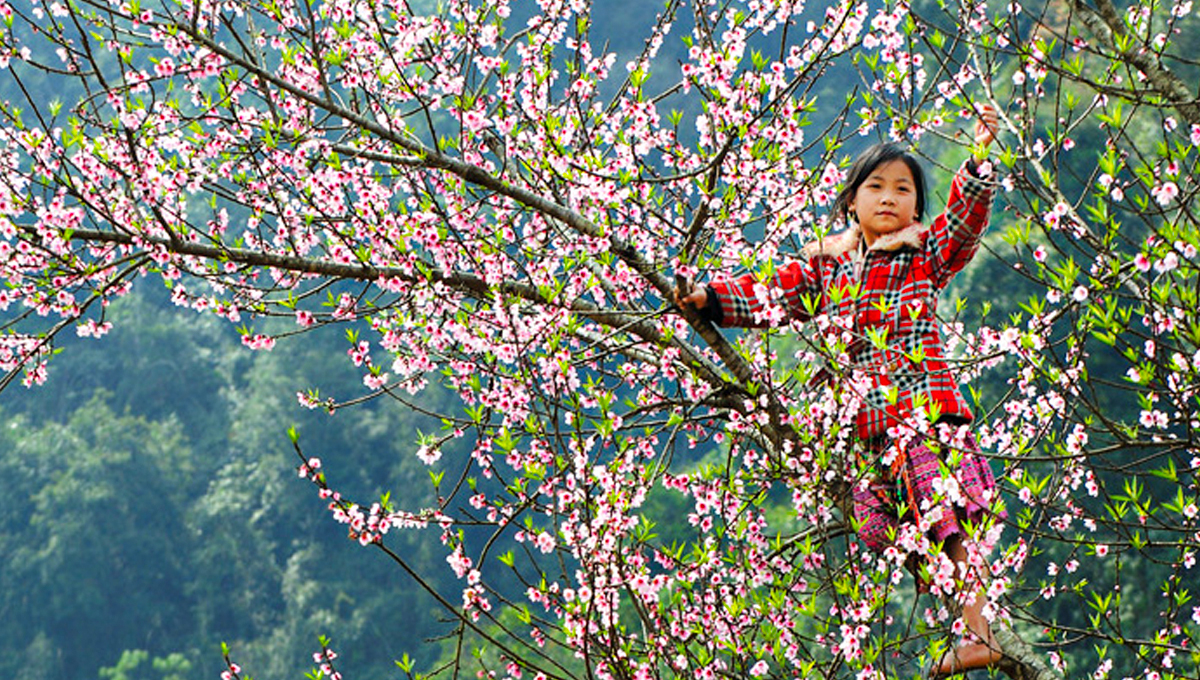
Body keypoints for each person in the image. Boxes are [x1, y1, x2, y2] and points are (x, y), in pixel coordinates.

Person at [678, 106, 1004, 677]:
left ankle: (980, 633)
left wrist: (978, 158)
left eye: (903, 189)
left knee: (950, 525)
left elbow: (964, 223)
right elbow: (769, 296)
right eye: (875, 186)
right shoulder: (824, 268)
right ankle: (968, 629)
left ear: (916, 209)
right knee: (917, 537)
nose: (889, 198)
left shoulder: (923, 254)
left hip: (922, 415)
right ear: (850, 200)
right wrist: (708, 297)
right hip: (867, 434)